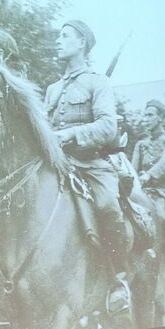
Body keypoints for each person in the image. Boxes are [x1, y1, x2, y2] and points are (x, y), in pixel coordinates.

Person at [44, 20, 130, 313]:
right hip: (58, 165)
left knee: (108, 207)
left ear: (82, 43)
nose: (58, 40)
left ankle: (119, 279)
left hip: (91, 164)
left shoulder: (98, 82)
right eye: (59, 35)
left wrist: (70, 135)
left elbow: (108, 127)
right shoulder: (52, 88)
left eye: (64, 35)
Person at [130, 100, 165, 191]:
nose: (146, 119)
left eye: (150, 115)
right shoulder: (140, 144)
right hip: (143, 190)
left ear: (160, 118)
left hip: (164, 191)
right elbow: (132, 170)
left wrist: (149, 175)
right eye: (145, 115)